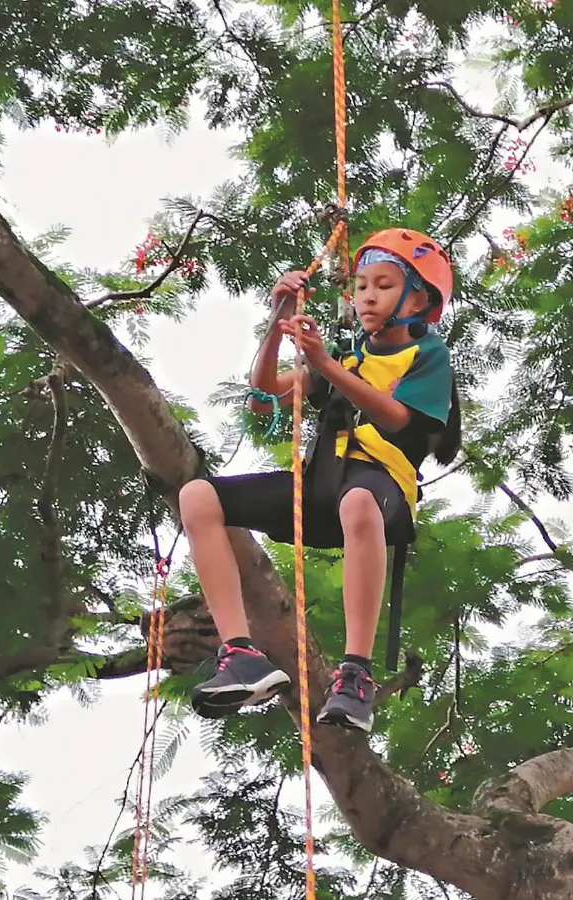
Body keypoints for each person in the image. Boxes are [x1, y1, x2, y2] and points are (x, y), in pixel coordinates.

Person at [179, 228, 460, 732]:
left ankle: (355, 675)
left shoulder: (426, 356)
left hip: (379, 491)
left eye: (384, 286)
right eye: (362, 286)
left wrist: (326, 364)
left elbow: (397, 418)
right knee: (198, 497)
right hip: (318, 486)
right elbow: (266, 393)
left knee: (359, 502)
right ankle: (240, 655)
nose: (367, 296)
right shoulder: (346, 356)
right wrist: (278, 322)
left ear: (418, 299)